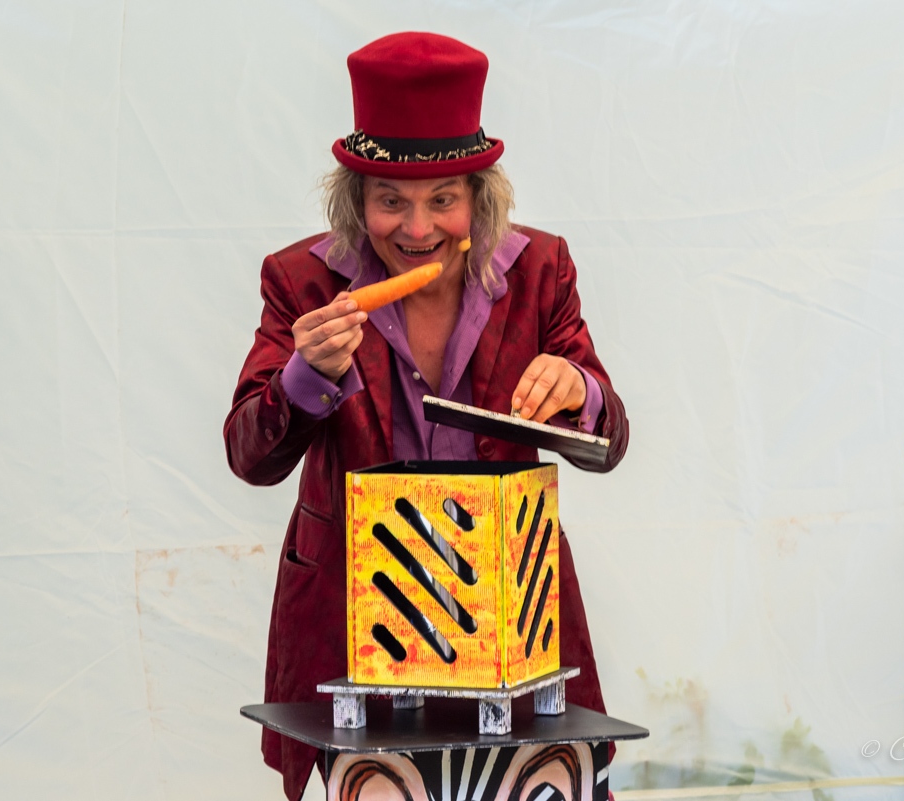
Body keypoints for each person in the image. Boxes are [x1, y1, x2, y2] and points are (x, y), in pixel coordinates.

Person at [224, 31, 629, 801]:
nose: (417, 229)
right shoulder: (303, 280)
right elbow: (250, 455)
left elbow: (609, 442)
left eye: (443, 199)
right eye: (391, 202)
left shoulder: (539, 270)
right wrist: (305, 375)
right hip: (356, 621)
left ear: (479, 196)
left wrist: (580, 390)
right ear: (356, 200)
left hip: (511, 619)